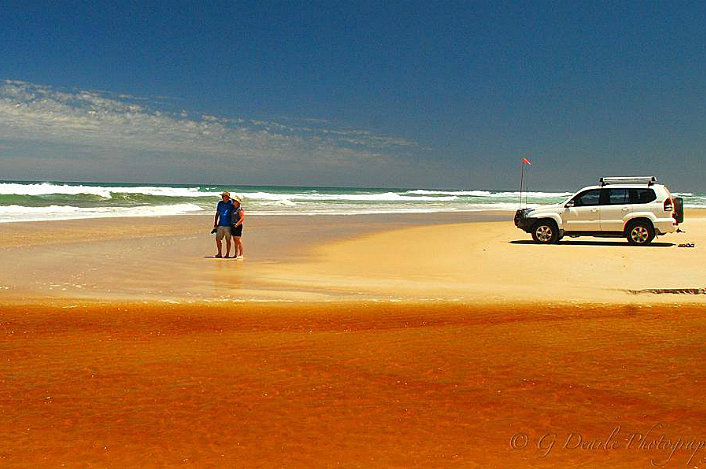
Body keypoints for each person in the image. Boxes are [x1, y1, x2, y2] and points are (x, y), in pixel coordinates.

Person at [213, 191, 234, 258]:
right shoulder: (220, 203)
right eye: (224, 196)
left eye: (226, 196)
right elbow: (217, 213)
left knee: (228, 240)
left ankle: (227, 254)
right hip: (220, 224)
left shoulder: (231, 203)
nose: (224, 198)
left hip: (228, 225)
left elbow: (236, 210)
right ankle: (219, 253)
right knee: (218, 239)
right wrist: (215, 223)